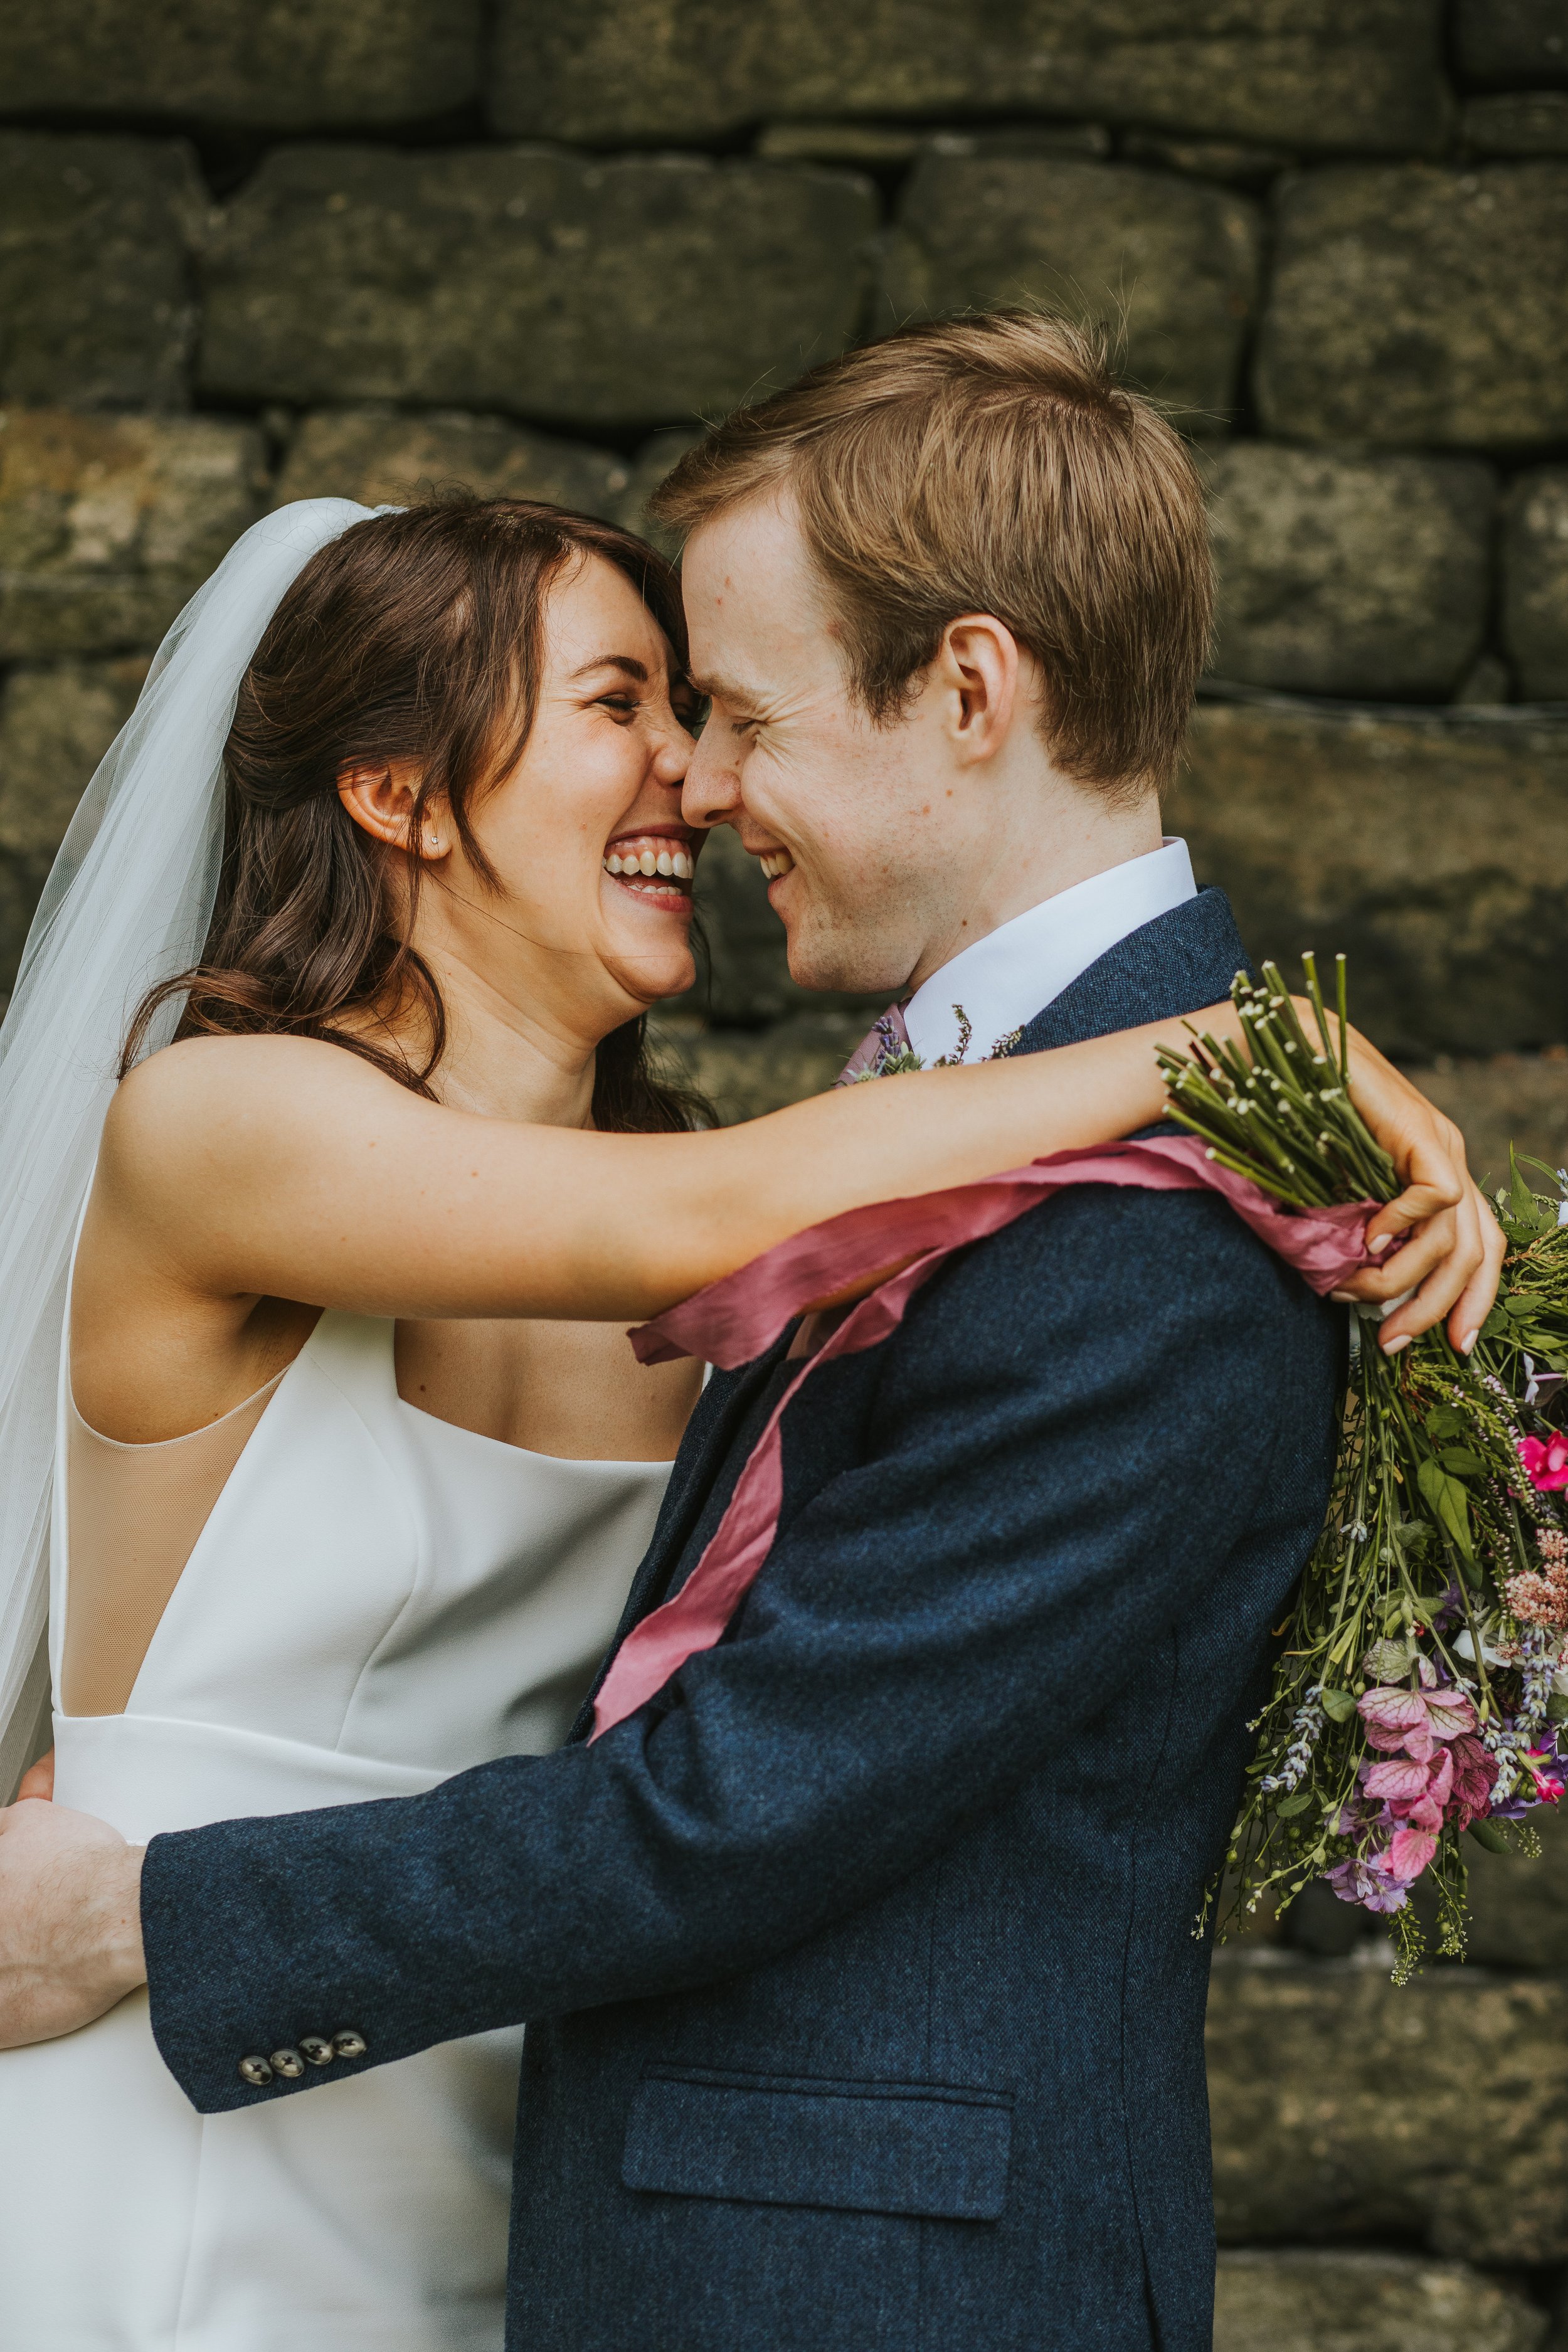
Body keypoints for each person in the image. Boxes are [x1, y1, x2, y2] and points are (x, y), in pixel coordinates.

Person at [0, 320, 1498, 2352]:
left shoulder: (1037, 1221)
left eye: (708, 706)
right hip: (187, 2099)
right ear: (395, 793)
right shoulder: (266, 1124)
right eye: (626, 706)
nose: (692, 785)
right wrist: (1239, 1043)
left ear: (966, 689)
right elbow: (701, 1237)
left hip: (451, 2098)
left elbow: (808, 1762)